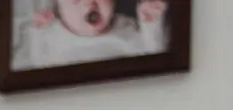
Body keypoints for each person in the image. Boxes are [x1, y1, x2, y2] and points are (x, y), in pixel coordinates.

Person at [13, 0, 170, 71]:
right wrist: (37, 32)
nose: (89, 3)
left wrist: (150, 23)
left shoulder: (125, 29)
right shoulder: (51, 36)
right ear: (59, 9)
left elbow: (153, 55)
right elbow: (36, 64)